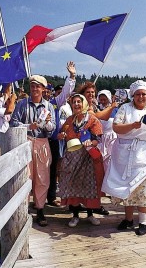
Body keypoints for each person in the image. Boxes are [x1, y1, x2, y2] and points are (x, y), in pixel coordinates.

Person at [102, 80, 146, 236]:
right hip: (125, 154)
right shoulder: (125, 108)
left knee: (143, 188)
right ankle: (129, 219)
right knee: (128, 186)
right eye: (138, 94)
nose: (141, 97)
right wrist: (132, 125)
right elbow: (116, 127)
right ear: (132, 95)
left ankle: (143, 222)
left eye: (143, 94)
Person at [10, 75, 56, 227]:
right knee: (26, 176)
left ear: (43, 89)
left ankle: (40, 209)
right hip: (26, 141)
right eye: (33, 86)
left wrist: (47, 123)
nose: (35, 89)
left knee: (43, 177)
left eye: (38, 86)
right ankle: (24, 207)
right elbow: (13, 123)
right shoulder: (22, 104)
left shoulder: (49, 106)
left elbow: (53, 129)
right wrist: (30, 126)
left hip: (42, 143)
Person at [57, 94, 103, 227]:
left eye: (79, 101)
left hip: (87, 158)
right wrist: (61, 135)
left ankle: (90, 215)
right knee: (72, 185)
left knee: (89, 186)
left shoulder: (92, 120)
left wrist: (91, 143)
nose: (76, 104)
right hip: (72, 157)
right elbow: (61, 133)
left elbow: (98, 138)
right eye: (74, 102)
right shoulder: (70, 120)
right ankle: (75, 215)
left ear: (84, 104)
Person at [77, 82, 119, 216]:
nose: (91, 95)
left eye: (92, 92)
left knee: (96, 176)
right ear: (83, 94)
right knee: (86, 177)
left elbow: (104, 116)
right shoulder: (83, 108)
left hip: (96, 144)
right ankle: (81, 205)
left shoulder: (93, 106)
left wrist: (111, 108)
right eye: (88, 92)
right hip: (84, 145)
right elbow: (98, 116)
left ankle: (95, 205)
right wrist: (112, 106)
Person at [45, 62, 77, 207]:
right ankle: (48, 197)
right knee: (49, 170)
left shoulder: (54, 103)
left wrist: (72, 76)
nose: (45, 93)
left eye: (46, 90)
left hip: (60, 140)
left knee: (62, 168)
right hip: (44, 141)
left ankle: (65, 197)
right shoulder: (28, 104)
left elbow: (66, 93)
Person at [96, 90, 117, 172]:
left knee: (111, 160)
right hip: (101, 138)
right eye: (101, 100)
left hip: (113, 138)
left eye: (105, 99)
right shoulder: (97, 110)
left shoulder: (115, 110)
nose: (103, 101)